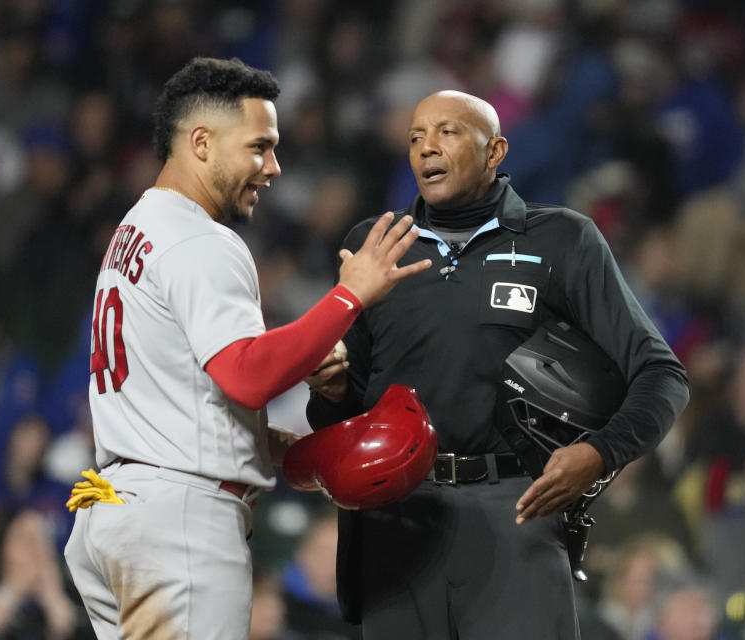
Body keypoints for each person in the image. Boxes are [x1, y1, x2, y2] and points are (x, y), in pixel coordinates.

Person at [62, 57, 431, 640]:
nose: (273, 167)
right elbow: (246, 375)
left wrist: (294, 451)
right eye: (259, 147)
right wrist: (349, 296)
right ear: (201, 142)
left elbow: (196, 397)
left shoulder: (138, 226)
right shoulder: (199, 238)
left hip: (120, 506)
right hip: (179, 521)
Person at [305, 90, 690, 639]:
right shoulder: (375, 246)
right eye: (415, 137)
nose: (426, 148)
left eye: (447, 132)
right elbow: (337, 415)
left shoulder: (562, 240)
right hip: (395, 518)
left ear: (495, 151)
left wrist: (600, 452)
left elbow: (662, 375)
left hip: (515, 510)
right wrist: (333, 387)